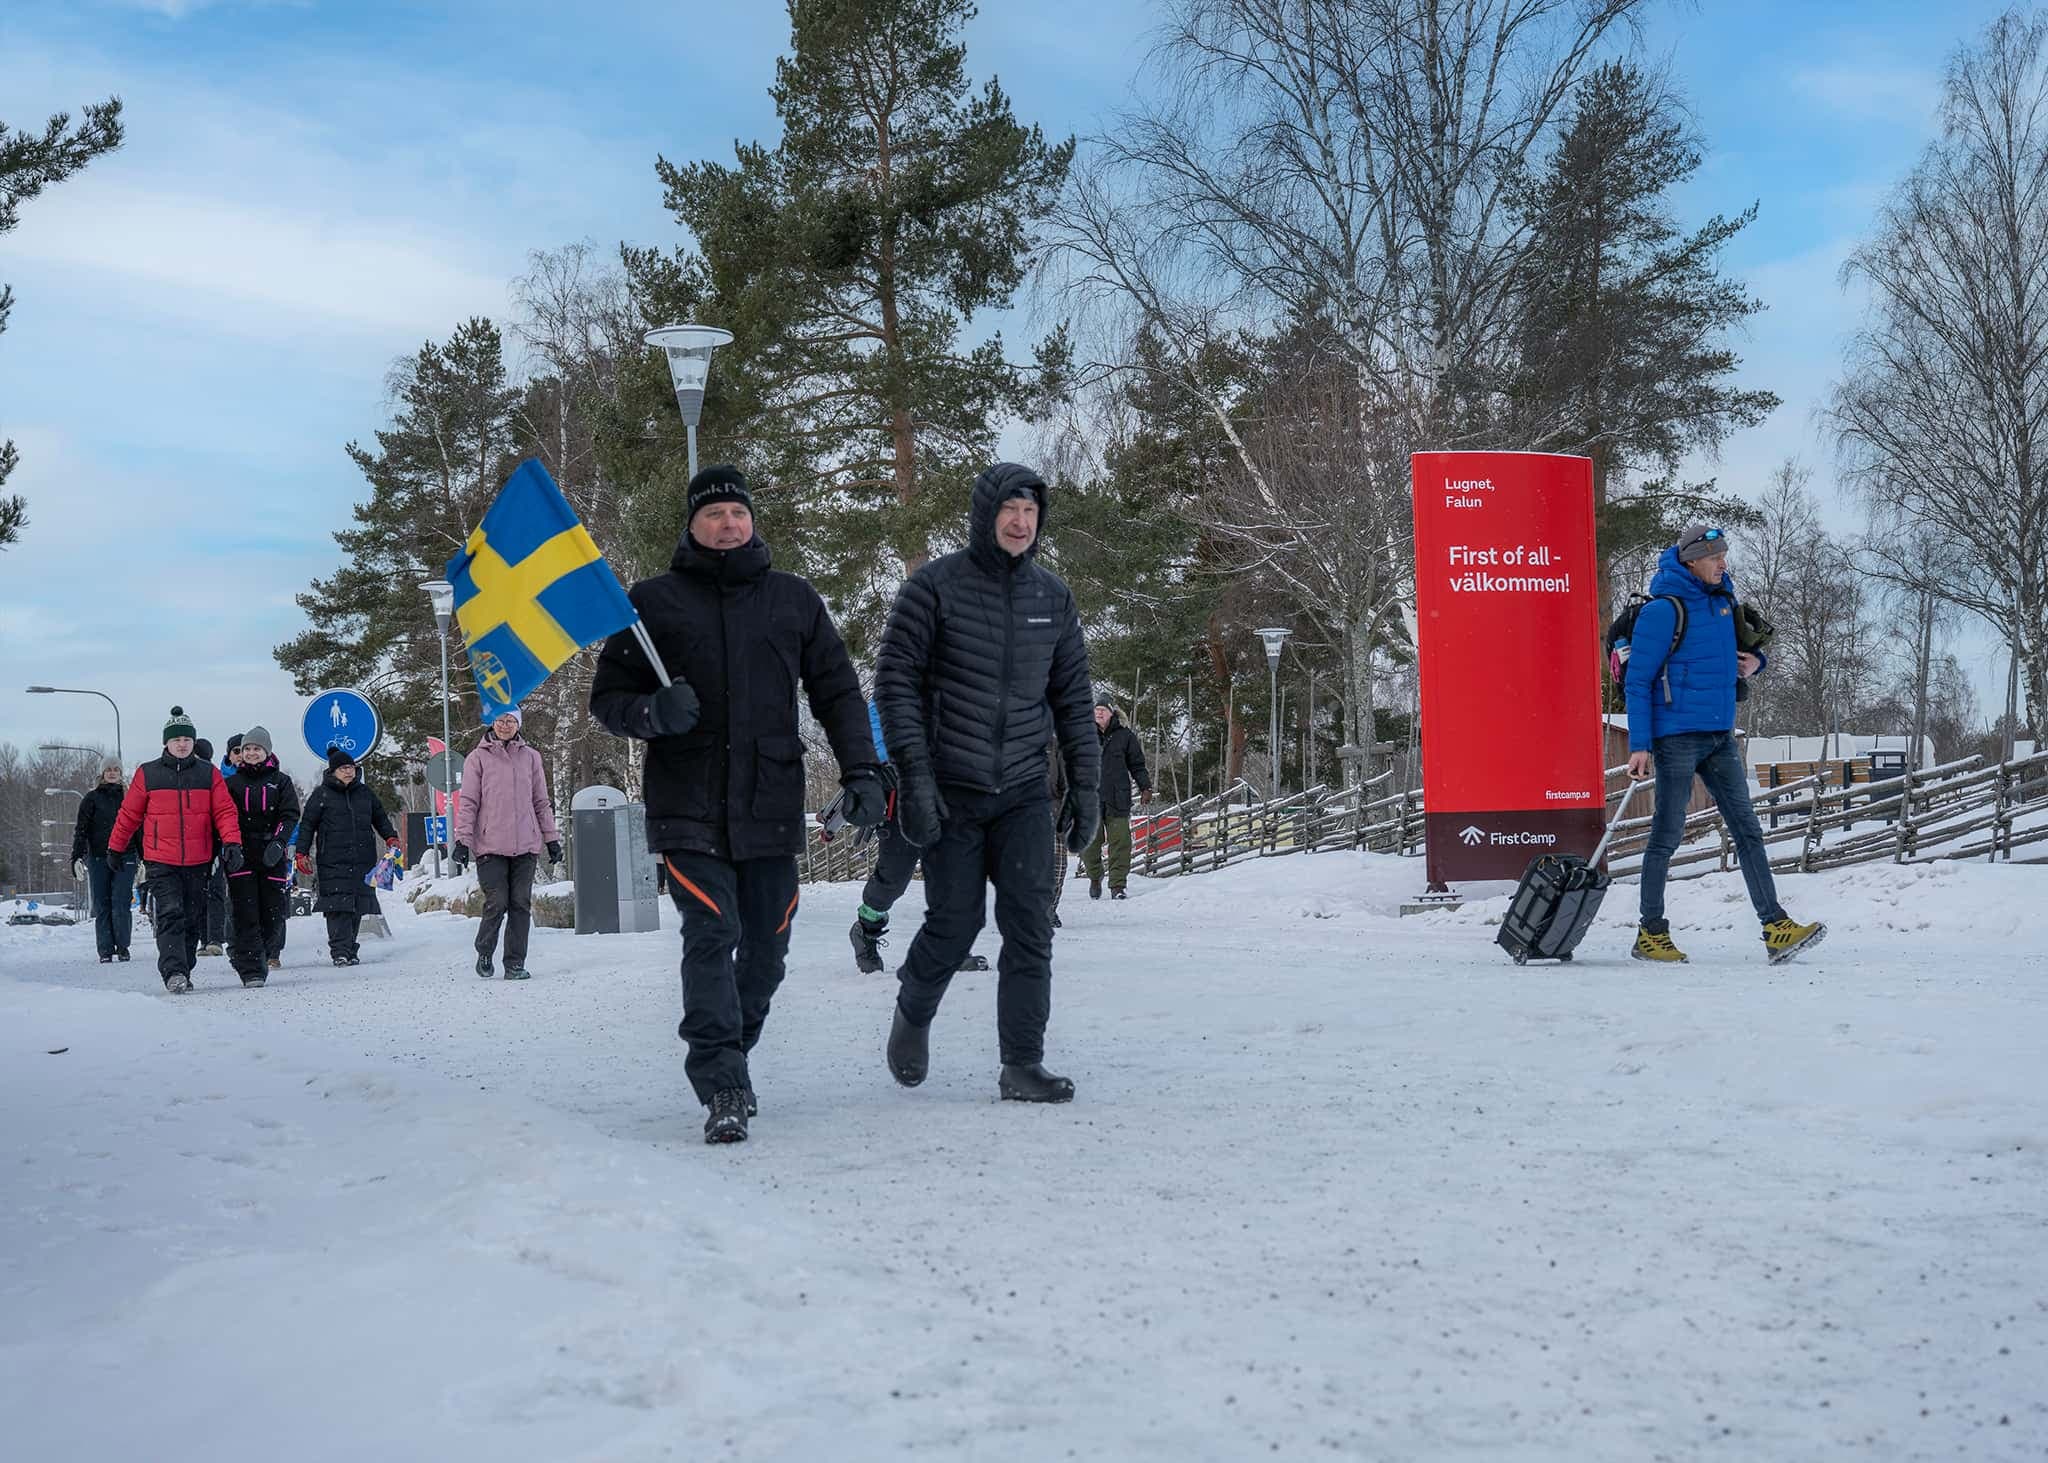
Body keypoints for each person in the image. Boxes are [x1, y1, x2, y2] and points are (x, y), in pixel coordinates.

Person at [591, 463, 884, 1143]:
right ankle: (721, 1082)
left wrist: (864, 769)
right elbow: (606, 700)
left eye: (738, 514)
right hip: (686, 804)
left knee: (767, 949)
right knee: (711, 930)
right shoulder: (652, 604)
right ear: (692, 523)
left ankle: (733, 1053)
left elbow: (838, 691)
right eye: (714, 513)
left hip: (770, 801)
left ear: (752, 522)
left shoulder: (793, 599)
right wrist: (652, 710)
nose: (728, 523)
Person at [874, 462, 1100, 1103]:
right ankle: (912, 1014)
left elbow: (1074, 699)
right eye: (1010, 510)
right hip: (951, 786)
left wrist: (1084, 784)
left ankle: (1021, 1063)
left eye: (1031, 512)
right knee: (956, 922)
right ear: (985, 514)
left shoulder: (1051, 597)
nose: (1021, 522)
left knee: (1030, 921)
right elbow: (894, 685)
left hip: (1026, 786)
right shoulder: (932, 588)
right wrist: (914, 777)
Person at [1625, 525, 1826, 964]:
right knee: (1667, 834)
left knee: (1748, 831)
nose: (1723, 563)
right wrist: (1639, 743)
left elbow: (1743, 654)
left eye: (1724, 556)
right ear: (1692, 560)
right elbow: (1637, 681)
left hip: (1720, 736)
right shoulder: (1663, 610)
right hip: (1675, 737)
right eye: (1715, 557)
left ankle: (1775, 926)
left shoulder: (1723, 603)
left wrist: (1759, 662)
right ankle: (1650, 933)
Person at [103, 707, 243, 993]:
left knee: (192, 918)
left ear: (193, 742)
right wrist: (115, 848)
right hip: (160, 859)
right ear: (166, 742)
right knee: (170, 913)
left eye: (187, 739)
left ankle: (184, 966)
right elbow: (128, 815)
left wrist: (232, 842)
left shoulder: (209, 774)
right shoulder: (148, 773)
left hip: (198, 858)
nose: (182, 744)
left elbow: (225, 812)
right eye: (176, 739)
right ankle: (174, 971)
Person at [848, 699, 988, 975]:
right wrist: (885, 758)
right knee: (894, 878)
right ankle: (865, 929)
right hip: (901, 792)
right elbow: (874, 720)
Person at [450, 704, 563, 981]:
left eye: (511, 720)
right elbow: (468, 803)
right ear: (492, 722)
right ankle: (485, 950)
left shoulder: (532, 758)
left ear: (518, 724)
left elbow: (540, 802)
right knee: (497, 901)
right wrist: (462, 841)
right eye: (500, 719)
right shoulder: (477, 758)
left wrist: (552, 839)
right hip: (489, 844)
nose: (505, 725)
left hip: (526, 844)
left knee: (520, 904)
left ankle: (514, 963)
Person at [294, 745, 399, 966]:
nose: (349, 771)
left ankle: (350, 948)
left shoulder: (364, 793)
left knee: (358, 907)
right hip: (332, 860)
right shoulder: (321, 794)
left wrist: (390, 837)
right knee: (337, 907)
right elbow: (307, 825)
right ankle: (339, 951)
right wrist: (301, 853)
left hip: (362, 859)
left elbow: (379, 817)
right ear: (333, 771)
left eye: (351, 767)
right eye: (343, 768)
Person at [220, 726, 300, 987]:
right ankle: (251, 967)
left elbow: (289, 814)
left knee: (273, 911)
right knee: (245, 911)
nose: (251, 753)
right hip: (241, 853)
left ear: (267, 751)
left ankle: (265, 953)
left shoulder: (281, 781)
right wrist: (230, 847)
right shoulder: (230, 784)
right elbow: (223, 816)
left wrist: (279, 841)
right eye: (247, 749)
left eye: (256, 748)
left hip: (271, 853)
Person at [1080, 698, 1152, 901]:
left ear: (1112, 713)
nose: (1099, 713)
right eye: (1096, 710)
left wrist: (1145, 787)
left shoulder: (1125, 736)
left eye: (1103, 710)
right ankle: (1095, 877)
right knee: (1090, 843)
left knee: (1121, 842)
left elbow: (1137, 765)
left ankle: (1118, 885)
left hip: (1118, 797)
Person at [70, 755, 135, 963]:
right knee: (102, 903)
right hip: (98, 858)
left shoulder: (130, 797)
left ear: (120, 772)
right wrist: (77, 857)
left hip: (127, 856)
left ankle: (123, 946)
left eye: (116, 769)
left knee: (121, 903)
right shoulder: (91, 799)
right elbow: (81, 830)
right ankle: (105, 949)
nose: (113, 772)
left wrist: (145, 858)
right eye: (109, 769)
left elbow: (139, 828)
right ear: (102, 773)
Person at [196, 737, 230, 956]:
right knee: (209, 893)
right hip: (203, 842)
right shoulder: (212, 776)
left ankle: (212, 937)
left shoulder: (210, 777)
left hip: (209, 842)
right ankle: (210, 938)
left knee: (207, 893)